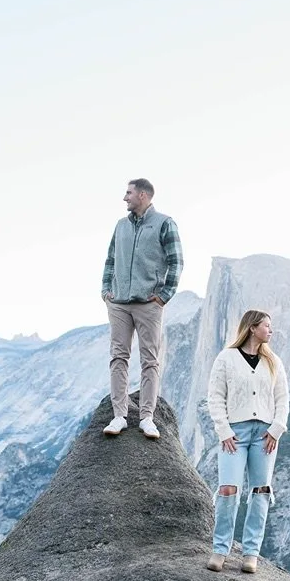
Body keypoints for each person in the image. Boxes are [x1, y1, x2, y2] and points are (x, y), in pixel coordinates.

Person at [204, 309, 290, 573]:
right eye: (267, 326)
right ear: (252, 328)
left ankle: (251, 553)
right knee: (228, 489)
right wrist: (224, 430)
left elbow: (283, 398)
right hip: (235, 435)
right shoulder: (227, 358)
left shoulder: (273, 361)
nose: (271, 331)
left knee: (260, 490)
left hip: (264, 435)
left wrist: (276, 428)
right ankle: (220, 549)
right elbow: (215, 396)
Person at [101, 178, 183, 439]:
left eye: (129, 193)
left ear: (144, 195)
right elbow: (111, 259)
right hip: (119, 304)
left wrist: (164, 295)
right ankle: (119, 416)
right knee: (118, 357)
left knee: (150, 360)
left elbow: (176, 261)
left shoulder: (164, 224)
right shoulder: (121, 226)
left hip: (149, 304)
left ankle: (147, 417)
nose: (125, 198)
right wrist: (106, 290)